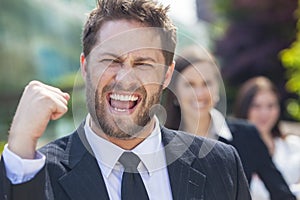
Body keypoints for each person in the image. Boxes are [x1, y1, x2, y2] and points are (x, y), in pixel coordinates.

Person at [0, 0, 251, 199]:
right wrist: (20, 144)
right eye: (111, 60)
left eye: (142, 63)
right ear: (85, 68)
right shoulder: (34, 175)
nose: (125, 79)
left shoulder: (221, 164)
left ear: (166, 75)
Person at [163, 46, 296, 200]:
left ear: (217, 88)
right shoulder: (159, 145)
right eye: (189, 84)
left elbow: (283, 194)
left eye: (207, 83)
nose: (199, 93)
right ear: (175, 92)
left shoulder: (246, 135)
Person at [234, 76, 300, 199]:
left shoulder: (294, 147)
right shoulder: (233, 151)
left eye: (270, 106)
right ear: (245, 107)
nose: (264, 113)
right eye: (256, 106)